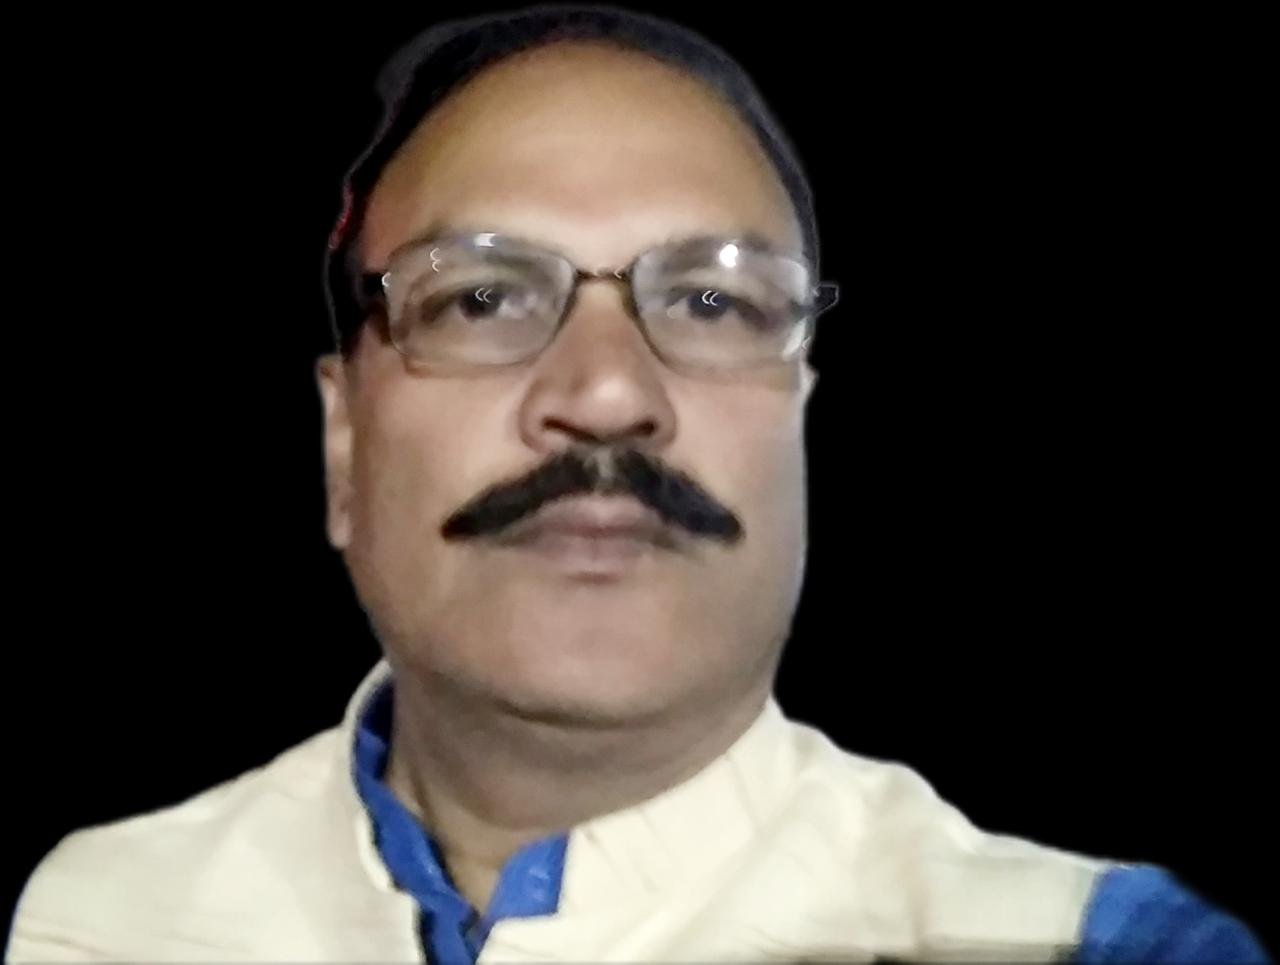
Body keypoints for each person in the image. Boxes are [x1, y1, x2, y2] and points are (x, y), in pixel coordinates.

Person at [6, 6, 1268, 963]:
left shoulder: (1080, 942)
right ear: (343, 444)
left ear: (804, 424)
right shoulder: (92, 917)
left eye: (711, 301)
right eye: (480, 296)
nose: (609, 392)